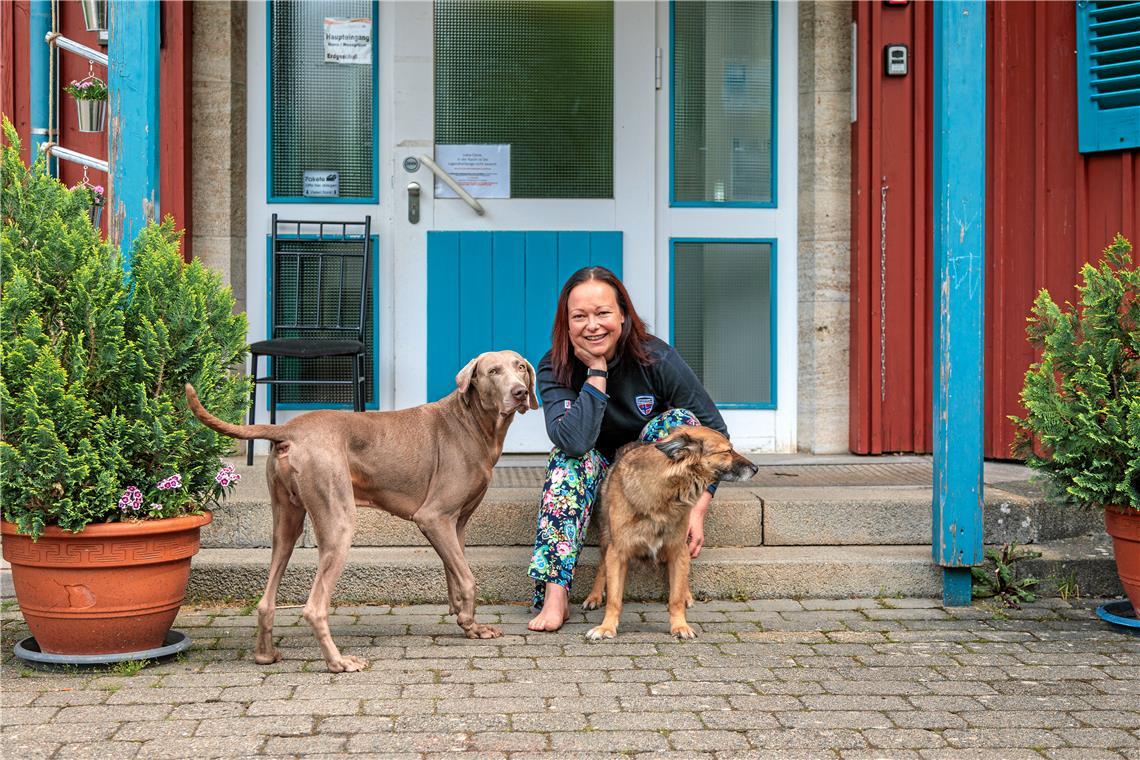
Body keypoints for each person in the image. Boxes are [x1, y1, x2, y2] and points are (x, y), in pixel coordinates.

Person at [527, 266, 729, 632]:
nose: (592, 325)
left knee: (679, 421)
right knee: (565, 461)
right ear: (566, 323)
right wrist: (596, 374)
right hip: (595, 466)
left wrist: (697, 507)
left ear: (622, 315)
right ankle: (555, 594)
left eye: (603, 313)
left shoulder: (656, 358)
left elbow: (713, 431)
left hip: (649, 476)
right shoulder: (553, 366)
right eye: (580, 317)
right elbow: (573, 440)